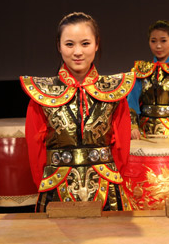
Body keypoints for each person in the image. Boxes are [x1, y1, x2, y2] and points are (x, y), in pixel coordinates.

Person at [20, 12, 135, 212]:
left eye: (85, 43)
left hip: (107, 188)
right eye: (69, 44)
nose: (78, 52)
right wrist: (45, 182)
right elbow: (35, 148)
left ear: (97, 44)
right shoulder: (41, 93)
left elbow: (122, 148)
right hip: (56, 189)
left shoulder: (115, 91)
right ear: (59, 46)